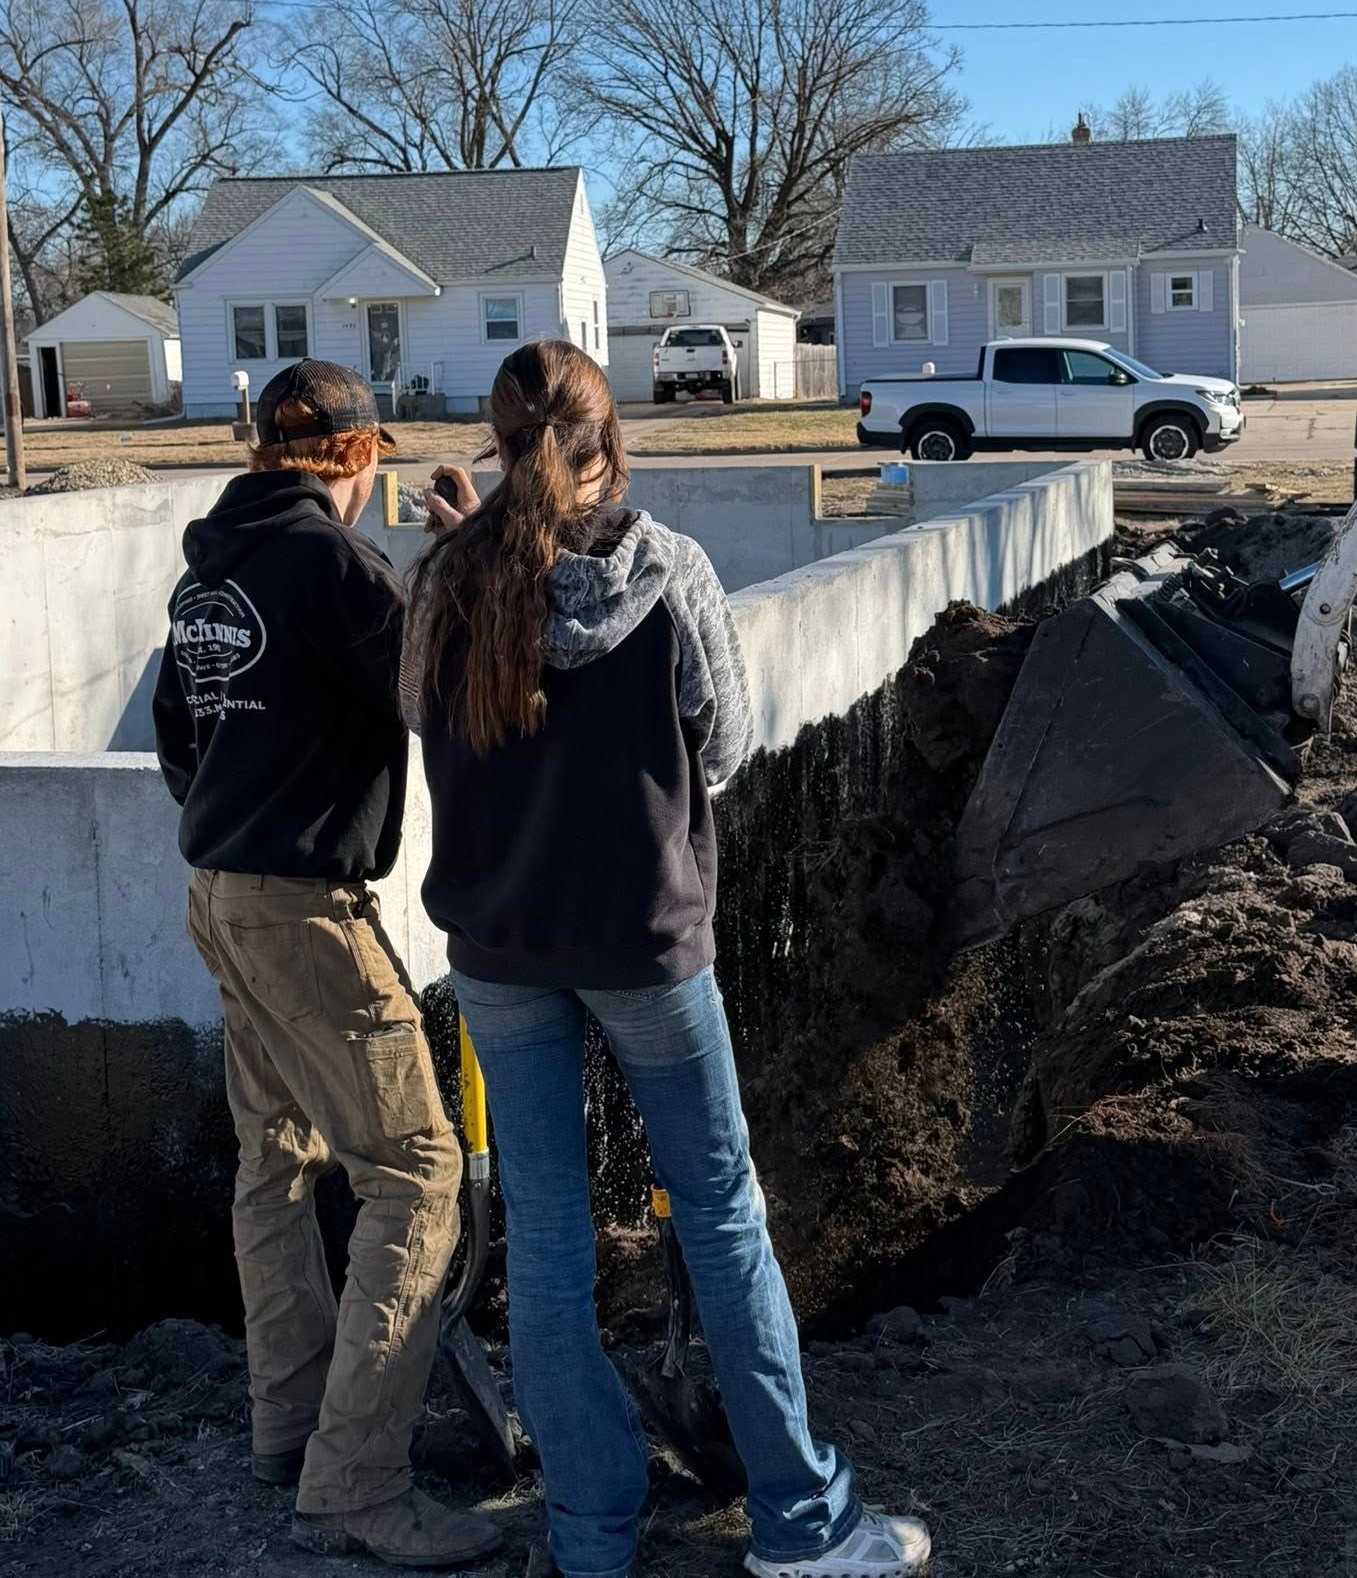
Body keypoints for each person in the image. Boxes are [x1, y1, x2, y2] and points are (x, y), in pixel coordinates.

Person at [404, 338, 932, 1578]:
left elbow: (428, 715)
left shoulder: (441, 582)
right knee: (720, 1214)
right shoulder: (668, 568)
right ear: (608, 443)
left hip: (495, 944)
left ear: (496, 440)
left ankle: (591, 1533)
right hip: (644, 942)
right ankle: (802, 1522)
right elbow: (728, 741)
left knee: (544, 1236)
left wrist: (479, 547)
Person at [152, 359, 502, 1571]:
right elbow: (452, 695)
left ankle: (286, 1423)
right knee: (417, 1168)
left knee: (277, 1153)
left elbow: (178, 743)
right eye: (376, 465)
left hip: (220, 893)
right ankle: (354, 1476)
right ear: (356, 459)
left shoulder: (213, 568)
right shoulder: (338, 568)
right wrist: (466, 566)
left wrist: (248, 821)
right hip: (302, 911)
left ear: (262, 453)